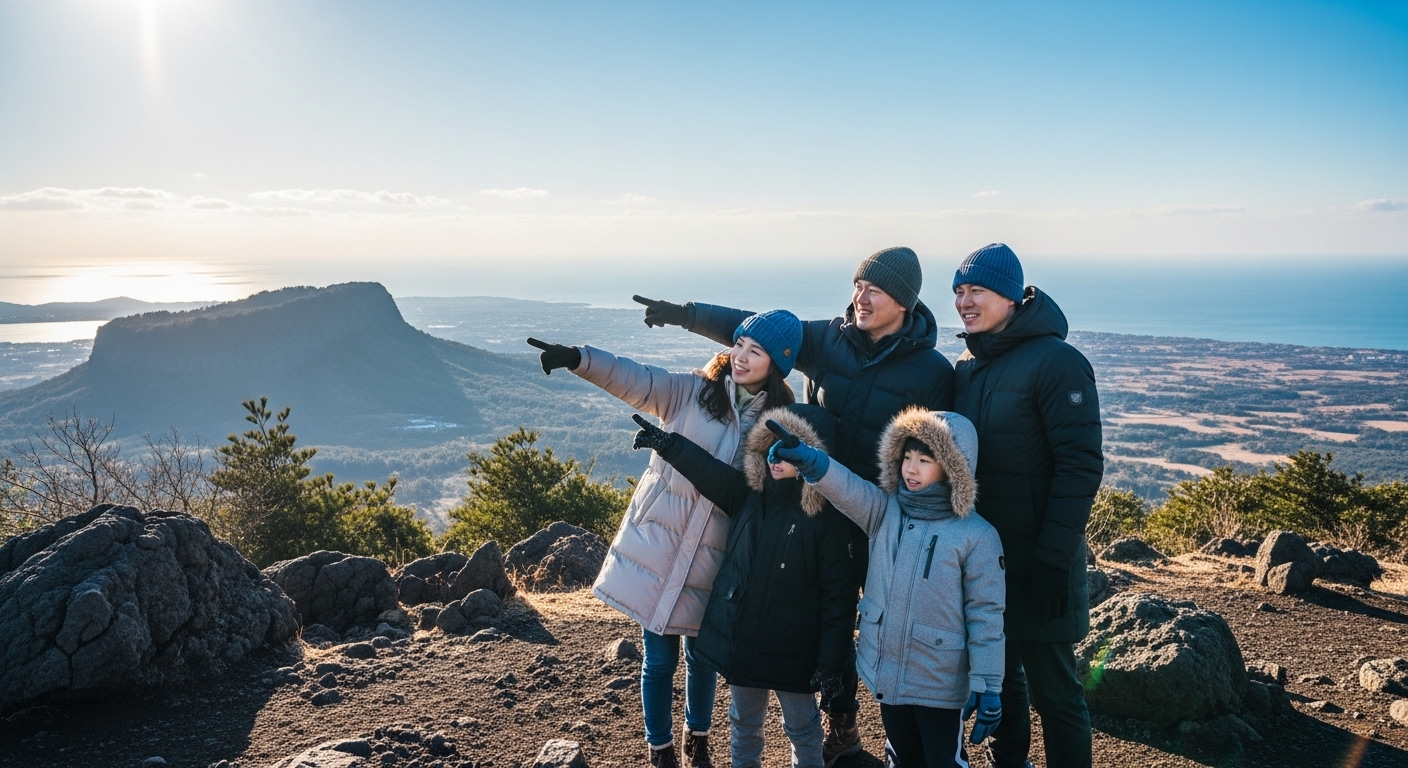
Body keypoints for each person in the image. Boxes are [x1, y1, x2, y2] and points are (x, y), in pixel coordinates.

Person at [634, 246, 955, 764]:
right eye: (858, 285)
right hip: (810, 500)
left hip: (875, 512)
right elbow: (755, 329)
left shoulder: (932, 371)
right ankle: (830, 724)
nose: (860, 297)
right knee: (809, 608)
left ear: (904, 302)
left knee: (856, 614)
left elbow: (941, 448)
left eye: (874, 290)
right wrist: (685, 314)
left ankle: (862, 725)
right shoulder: (830, 338)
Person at [524, 308, 802, 768]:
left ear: (778, 364)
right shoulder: (693, 390)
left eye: (756, 351)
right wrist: (578, 358)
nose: (741, 357)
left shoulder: (774, 424)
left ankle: (697, 740)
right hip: (658, 547)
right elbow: (637, 379)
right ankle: (660, 750)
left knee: (702, 659)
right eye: (739, 344)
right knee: (657, 660)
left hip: (714, 559)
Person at [770, 406, 1006, 768]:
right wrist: (810, 460)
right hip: (889, 672)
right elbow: (847, 488)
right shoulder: (885, 512)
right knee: (901, 756)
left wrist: (987, 683)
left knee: (943, 760)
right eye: (907, 457)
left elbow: (986, 615)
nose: (911, 468)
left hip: (939, 682)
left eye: (924, 460)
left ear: (953, 467)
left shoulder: (977, 536)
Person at [631, 404, 858, 768]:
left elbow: (839, 602)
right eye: (770, 448)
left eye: (789, 450)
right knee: (743, 725)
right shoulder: (750, 496)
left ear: (814, 456)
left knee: (803, 729)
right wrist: (670, 445)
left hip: (794, 653)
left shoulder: (827, 521)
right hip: (747, 642)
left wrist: (831, 666)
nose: (775, 458)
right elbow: (708, 472)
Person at [950, 243, 1104, 768]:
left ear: (1011, 297)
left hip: (1041, 559)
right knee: (1001, 679)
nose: (965, 302)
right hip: (985, 562)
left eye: (977, 290)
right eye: (959, 291)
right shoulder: (968, 364)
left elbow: (1080, 466)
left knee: (1055, 692)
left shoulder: (1058, 362)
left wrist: (1053, 561)